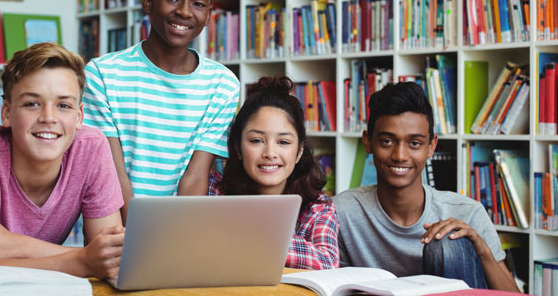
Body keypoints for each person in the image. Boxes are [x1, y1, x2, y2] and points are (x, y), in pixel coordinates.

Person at [0, 43, 125, 279]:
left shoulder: (91, 147)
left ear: (79, 117)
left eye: (63, 105)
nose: (48, 118)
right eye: (32, 104)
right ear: (6, 113)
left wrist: (15, 245)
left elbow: (110, 258)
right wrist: (82, 260)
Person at [83, 0, 240, 221]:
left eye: (198, 4)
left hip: (181, 228)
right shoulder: (102, 73)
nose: (185, 12)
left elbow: (196, 176)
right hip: (114, 226)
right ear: (148, 2)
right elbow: (111, 171)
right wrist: (141, 233)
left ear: (209, 16)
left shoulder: (223, 84)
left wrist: (169, 238)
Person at [334, 82, 519, 291]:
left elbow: (513, 295)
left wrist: (482, 250)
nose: (400, 156)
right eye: (387, 141)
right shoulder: (342, 212)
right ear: (368, 142)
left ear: (431, 146)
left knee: (447, 242)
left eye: (414, 144)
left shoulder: (467, 212)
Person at [208, 76, 339, 270]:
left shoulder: (318, 208)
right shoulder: (213, 191)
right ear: (238, 148)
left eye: (283, 142)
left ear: (299, 151)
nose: (270, 153)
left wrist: (245, 235)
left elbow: (327, 261)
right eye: (256, 141)